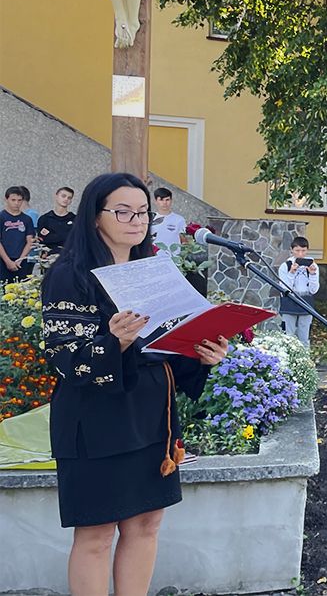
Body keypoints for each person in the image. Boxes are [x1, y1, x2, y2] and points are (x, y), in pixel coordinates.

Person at [40, 172, 228, 594]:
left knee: (146, 522)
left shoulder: (154, 270)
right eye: (122, 211)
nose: (135, 220)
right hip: (94, 419)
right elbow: (64, 358)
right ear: (95, 217)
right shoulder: (69, 274)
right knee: (96, 533)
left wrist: (201, 356)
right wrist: (115, 340)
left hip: (149, 417)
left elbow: (163, 347)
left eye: (141, 211)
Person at [278, 236, 320, 347]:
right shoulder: (285, 266)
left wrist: (312, 274)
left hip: (306, 302)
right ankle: (287, 361)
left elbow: (313, 290)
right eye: (297, 250)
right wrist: (292, 273)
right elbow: (285, 288)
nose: (300, 254)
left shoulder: (312, 266)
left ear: (307, 250)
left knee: (304, 337)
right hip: (289, 302)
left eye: (303, 250)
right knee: (288, 337)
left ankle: (304, 362)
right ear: (292, 250)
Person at [2, 186, 36, 283]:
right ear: (6, 199)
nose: (16, 203)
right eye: (13, 200)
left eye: (19, 200)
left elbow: (29, 241)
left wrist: (20, 260)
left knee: (21, 291)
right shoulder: (1, 217)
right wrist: (8, 261)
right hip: (3, 260)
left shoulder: (27, 219)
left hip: (21, 261)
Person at [37, 186, 76, 256]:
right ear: (56, 196)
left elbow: (75, 239)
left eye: (69, 198)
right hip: (48, 257)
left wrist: (53, 236)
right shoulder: (44, 219)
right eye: (63, 196)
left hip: (69, 256)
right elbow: (43, 240)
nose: (66, 199)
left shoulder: (75, 219)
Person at [150, 187, 186, 255]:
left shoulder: (179, 220)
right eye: (161, 200)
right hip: (155, 259)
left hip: (174, 259)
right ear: (155, 201)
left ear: (171, 200)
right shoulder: (150, 219)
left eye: (167, 200)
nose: (164, 203)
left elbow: (184, 241)